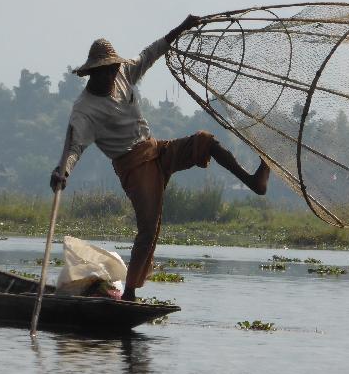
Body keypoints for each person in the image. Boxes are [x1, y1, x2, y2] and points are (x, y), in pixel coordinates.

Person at [51, 15, 270, 301]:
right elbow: (73, 147)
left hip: (155, 149)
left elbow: (151, 52)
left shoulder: (123, 73)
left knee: (205, 142)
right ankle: (129, 292)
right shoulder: (84, 109)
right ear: (93, 73)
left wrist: (182, 27)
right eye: (105, 71)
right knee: (148, 228)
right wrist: (62, 172)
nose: (111, 74)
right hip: (134, 166)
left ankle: (254, 182)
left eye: (113, 68)